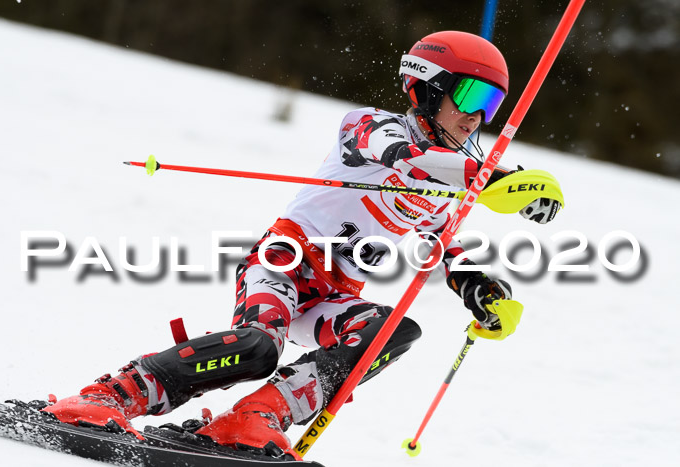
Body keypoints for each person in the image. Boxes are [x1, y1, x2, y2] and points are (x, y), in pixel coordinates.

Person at [41, 31, 560, 459]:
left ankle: (250, 419)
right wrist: (494, 176)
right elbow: (400, 156)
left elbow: (445, 248)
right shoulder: (370, 125)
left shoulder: (455, 182)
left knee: (390, 332)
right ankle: (107, 397)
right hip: (282, 265)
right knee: (260, 345)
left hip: (332, 292)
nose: (476, 117)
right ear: (426, 86)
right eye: (469, 97)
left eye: (490, 104)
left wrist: (483, 292)